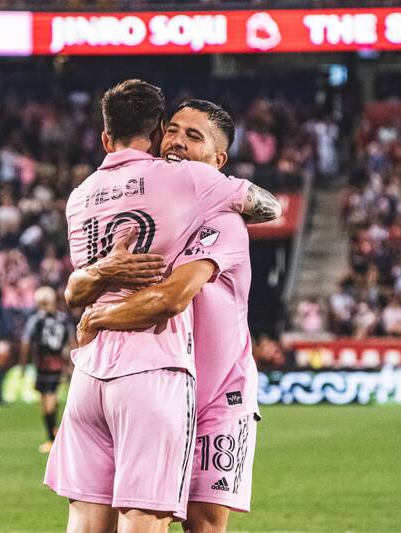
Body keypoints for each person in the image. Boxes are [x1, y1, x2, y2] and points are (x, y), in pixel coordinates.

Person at [44, 80, 280, 533]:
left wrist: (99, 314)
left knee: (203, 523)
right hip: (157, 377)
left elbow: (170, 297)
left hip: (216, 392)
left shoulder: (223, 221)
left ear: (218, 161)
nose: (176, 141)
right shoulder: (166, 197)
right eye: (172, 130)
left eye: (194, 137)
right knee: (134, 514)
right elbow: (80, 287)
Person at [19, 286, 76, 454]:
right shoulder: (63, 319)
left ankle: (52, 438)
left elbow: (26, 343)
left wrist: (23, 365)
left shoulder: (36, 319)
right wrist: (73, 363)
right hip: (59, 363)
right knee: (49, 397)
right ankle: (53, 432)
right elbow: (72, 341)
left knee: (47, 399)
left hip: (43, 364)